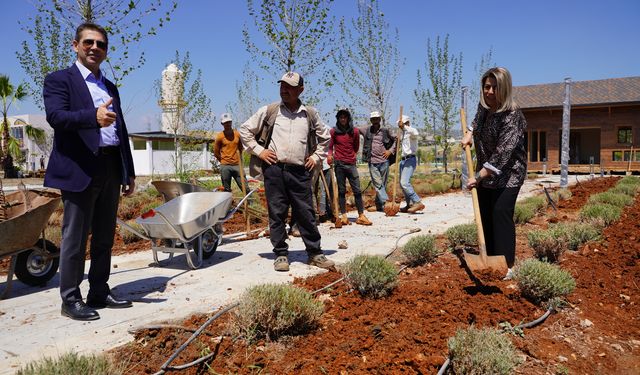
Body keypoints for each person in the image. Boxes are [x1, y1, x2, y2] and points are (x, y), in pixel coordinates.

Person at [43, 23, 136, 321]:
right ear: (76, 45)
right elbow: (56, 117)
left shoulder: (110, 87)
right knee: (75, 237)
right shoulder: (59, 80)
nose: (95, 48)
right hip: (80, 167)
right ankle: (70, 298)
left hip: (110, 165)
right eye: (89, 43)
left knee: (105, 236)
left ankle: (99, 289)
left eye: (101, 44)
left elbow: (121, 130)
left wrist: (128, 171)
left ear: (106, 51)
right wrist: (92, 117)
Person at [239, 72, 334, 272]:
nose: (284, 90)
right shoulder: (270, 111)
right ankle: (281, 254)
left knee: (306, 212)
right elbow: (245, 130)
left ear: (300, 90)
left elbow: (325, 137)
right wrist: (260, 151)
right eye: (282, 86)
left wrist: (316, 157)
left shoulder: (309, 113)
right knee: (277, 213)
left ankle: (315, 253)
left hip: (300, 171)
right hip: (274, 170)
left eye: (289, 87)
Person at [461, 67, 527, 280]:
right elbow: (475, 123)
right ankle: (488, 258)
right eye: (486, 86)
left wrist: (478, 177)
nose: (489, 91)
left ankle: (507, 265)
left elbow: (502, 154)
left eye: (494, 87)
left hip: (509, 172)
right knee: (485, 213)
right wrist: (470, 134)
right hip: (484, 169)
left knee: (500, 212)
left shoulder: (512, 115)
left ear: (504, 88)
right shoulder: (484, 107)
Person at [328, 108, 372, 225]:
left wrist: (351, 156)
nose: (343, 119)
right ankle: (344, 216)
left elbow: (356, 146)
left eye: (345, 117)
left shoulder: (355, 131)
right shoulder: (333, 131)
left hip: (351, 164)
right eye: (340, 117)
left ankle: (361, 215)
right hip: (339, 164)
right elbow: (330, 146)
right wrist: (329, 156)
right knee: (341, 191)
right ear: (338, 119)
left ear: (348, 118)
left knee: (357, 190)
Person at [360, 111, 396, 212]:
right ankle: (387, 203)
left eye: (377, 119)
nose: (375, 121)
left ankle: (379, 205)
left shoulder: (385, 130)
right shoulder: (366, 130)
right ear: (371, 120)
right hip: (372, 162)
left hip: (384, 161)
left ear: (380, 119)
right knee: (378, 184)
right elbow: (354, 129)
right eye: (373, 119)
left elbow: (397, 139)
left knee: (382, 185)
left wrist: (390, 150)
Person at [397, 115, 425, 213]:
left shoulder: (412, 132)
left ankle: (417, 201)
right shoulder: (403, 134)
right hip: (403, 160)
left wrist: (404, 127)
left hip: (410, 159)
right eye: (400, 125)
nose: (401, 126)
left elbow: (415, 133)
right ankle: (409, 204)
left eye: (403, 124)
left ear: (407, 123)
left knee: (404, 183)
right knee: (402, 184)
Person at [214, 113, 247, 192]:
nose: (227, 124)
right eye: (225, 123)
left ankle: (249, 202)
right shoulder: (220, 136)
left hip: (237, 164)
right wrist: (223, 161)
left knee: (245, 186)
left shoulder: (237, 134)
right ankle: (229, 203)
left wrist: (238, 160)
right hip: (225, 165)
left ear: (231, 122)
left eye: (229, 122)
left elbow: (240, 148)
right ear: (222, 124)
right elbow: (216, 152)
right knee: (226, 189)